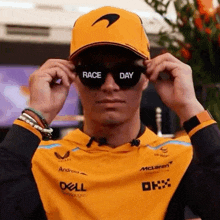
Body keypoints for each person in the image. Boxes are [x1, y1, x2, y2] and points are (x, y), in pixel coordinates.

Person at [0, 6, 220, 220]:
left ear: (146, 77)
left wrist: (190, 107)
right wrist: (36, 113)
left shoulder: (179, 159)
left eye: (126, 73)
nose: (110, 85)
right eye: (93, 73)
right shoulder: (40, 161)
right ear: (73, 77)